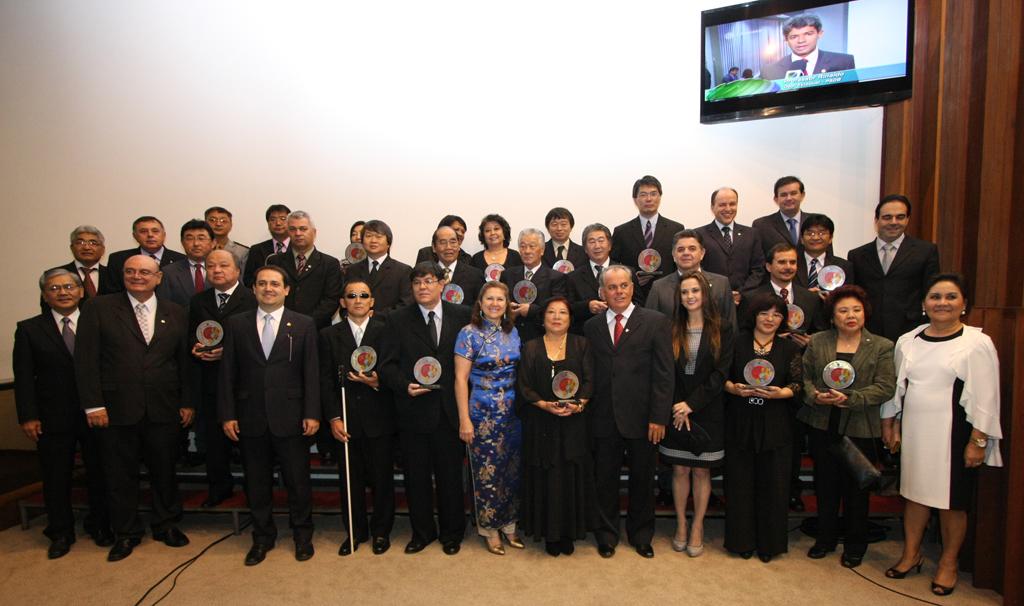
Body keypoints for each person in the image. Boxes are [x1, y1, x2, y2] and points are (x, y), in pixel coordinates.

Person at [881, 274, 1002, 596]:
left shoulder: (976, 343)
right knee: (914, 494)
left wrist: (978, 441)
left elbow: (987, 397)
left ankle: (948, 563)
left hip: (955, 435)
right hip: (916, 431)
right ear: (924, 303)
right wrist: (891, 424)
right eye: (935, 297)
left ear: (964, 304)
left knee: (952, 502)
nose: (942, 303)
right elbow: (897, 388)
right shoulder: (908, 341)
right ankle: (911, 554)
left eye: (951, 297)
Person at [75, 255, 194, 562]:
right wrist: (93, 405)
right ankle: (126, 533)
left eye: (145, 272)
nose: (137, 276)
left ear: (158, 278)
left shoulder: (176, 312)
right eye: (131, 271)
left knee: (164, 471)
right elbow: (86, 361)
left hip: (163, 407)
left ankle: (166, 524)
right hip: (115, 408)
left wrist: (186, 401)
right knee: (119, 474)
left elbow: (183, 361)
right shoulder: (98, 308)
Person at [218, 265, 321, 565]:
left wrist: (312, 413)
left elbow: (311, 372)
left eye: (275, 284)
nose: (268, 288)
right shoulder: (236, 324)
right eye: (262, 283)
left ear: (286, 289)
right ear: (253, 289)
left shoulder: (303, 324)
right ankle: (262, 537)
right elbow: (227, 373)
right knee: (256, 483)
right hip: (250, 416)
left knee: (298, 482)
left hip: (291, 416)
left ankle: (302, 535)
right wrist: (227, 414)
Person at [14, 269, 111, 558]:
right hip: (52, 417)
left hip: (97, 413)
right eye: (55, 288)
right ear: (45, 296)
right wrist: (28, 416)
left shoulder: (100, 323)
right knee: (56, 476)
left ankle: (100, 525)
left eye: (69, 286)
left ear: (81, 291)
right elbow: (24, 377)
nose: (63, 292)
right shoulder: (29, 329)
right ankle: (60, 531)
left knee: (100, 473)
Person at [798, 285, 895, 568]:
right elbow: (804, 377)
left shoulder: (881, 346)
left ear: (865, 313)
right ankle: (825, 539)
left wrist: (851, 398)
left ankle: (855, 544)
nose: (850, 315)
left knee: (857, 490)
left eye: (856, 310)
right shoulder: (818, 342)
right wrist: (815, 395)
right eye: (843, 310)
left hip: (860, 426)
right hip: (823, 423)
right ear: (832, 316)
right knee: (825, 485)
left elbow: (885, 387)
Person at [379, 262, 471, 556]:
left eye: (429, 281)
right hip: (413, 410)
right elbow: (386, 365)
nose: (423, 287)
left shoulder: (463, 315)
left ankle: (452, 533)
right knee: (416, 478)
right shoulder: (397, 319)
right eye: (417, 282)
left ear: (442, 284)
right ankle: (422, 532)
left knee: (450, 478)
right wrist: (404, 385)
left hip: (449, 410)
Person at [583, 265, 673, 558]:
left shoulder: (656, 322)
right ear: (602, 292)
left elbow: (664, 374)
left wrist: (659, 417)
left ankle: (641, 535)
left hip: (644, 419)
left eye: (624, 285)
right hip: (603, 418)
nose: (618, 291)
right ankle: (606, 535)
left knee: (643, 480)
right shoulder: (591, 326)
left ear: (633, 288)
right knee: (604, 480)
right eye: (612, 287)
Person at [319, 279, 397, 556]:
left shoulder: (386, 331)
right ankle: (355, 531)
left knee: (382, 480)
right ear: (343, 302)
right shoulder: (329, 335)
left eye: (364, 295)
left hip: (380, 418)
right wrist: (333, 418)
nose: (358, 300)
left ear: (372, 301)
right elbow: (325, 381)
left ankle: (381, 532)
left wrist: (378, 382)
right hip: (346, 420)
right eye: (351, 295)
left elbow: (395, 371)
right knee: (350, 481)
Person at [723, 294, 803, 562]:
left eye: (777, 315)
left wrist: (782, 393)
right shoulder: (736, 342)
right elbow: (721, 377)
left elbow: (798, 384)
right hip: (740, 421)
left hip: (776, 423)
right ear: (754, 316)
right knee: (740, 484)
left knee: (774, 486)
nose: (770, 319)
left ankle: (770, 544)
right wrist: (734, 389)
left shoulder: (789, 348)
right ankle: (741, 541)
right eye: (764, 313)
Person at [659, 271, 733, 558]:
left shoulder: (722, 328)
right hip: (676, 409)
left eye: (695, 291)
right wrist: (678, 405)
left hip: (707, 409)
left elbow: (720, 373)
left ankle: (698, 526)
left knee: (702, 471)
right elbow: (665, 371)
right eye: (684, 292)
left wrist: (691, 404)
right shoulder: (670, 328)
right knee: (680, 469)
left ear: (705, 294)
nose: (690, 296)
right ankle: (680, 524)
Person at [518, 297, 594, 556]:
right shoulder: (530, 347)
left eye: (563, 312)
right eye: (551, 312)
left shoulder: (582, 344)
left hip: (574, 421)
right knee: (546, 476)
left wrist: (579, 404)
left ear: (570, 319)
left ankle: (568, 532)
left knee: (569, 475)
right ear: (543, 318)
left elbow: (589, 381)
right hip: (541, 421)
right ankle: (548, 532)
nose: (557, 317)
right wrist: (544, 405)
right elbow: (524, 385)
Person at [454, 282, 523, 555]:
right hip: (482, 414)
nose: (495, 304)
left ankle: (509, 524)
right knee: (487, 473)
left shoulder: (513, 331)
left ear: (507, 305)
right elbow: (460, 380)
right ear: (480, 303)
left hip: (513, 414)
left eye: (500, 299)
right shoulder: (468, 334)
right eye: (489, 299)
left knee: (511, 471)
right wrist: (464, 419)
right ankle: (489, 528)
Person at [188, 249, 257, 508]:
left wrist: (226, 351)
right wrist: (196, 348)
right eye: (211, 266)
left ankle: (254, 490)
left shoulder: (252, 298)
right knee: (214, 440)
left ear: (237, 270)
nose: (217, 270)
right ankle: (219, 488)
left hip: (245, 382)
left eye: (223, 265)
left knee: (250, 442)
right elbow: (191, 334)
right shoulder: (198, 301)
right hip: (211, 381)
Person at [848, 194, 941, 342]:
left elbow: (932, 291)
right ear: (876, 220)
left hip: (912, 330)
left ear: (907, 219)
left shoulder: (926, 251)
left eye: (900, 217)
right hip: (869, 331)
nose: (893, 222)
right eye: (887, 217)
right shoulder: (857, 255)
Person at [645, 229, 737, 330]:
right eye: (680, 249)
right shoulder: (659, 288)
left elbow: (731, 326)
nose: (686, 253)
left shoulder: (721, 284)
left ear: (702, 253)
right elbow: (649, 327)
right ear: (673, 255)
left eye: (692, 249)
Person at [611, 175, 685, 300]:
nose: (649, 199)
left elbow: (681, 262)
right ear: (635, 199)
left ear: (660, 197)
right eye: (643, 194)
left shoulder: (676, 229)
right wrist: (630, 278)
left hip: (669, 294)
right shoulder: (621, 231)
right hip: (634, 296)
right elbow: (613, 264)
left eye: (653, 194)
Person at [266, 210, 342, 330]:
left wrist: (305, 324)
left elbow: (331, 300)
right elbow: (270, 295)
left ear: (314, 232)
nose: (298, 233)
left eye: (303, 229)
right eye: (292, 229)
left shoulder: (330, 264)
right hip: (279, 328)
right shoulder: (275, 262)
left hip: (316, 330)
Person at [502, 228, 567, 344]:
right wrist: (507, 309)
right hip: (510, 338)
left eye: (532, 246)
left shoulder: (556, 278)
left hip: (541, 338)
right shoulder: (507, 275)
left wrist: (531, 310)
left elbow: (558, 311)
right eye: (523, 246)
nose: (527, 251)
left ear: (542, 250)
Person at [698, 187, 766, 296]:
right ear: (712, 207)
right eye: (722, 205)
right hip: (712, 298)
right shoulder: (699, 235)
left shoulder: (752, 234)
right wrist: (719, 292)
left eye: (732, 204)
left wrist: (741, 293)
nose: (728, 209)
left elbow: (758, 269)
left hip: (745, 299)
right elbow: (698, 269)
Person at [345, 219, 413, 319]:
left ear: (388, 243)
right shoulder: (352, 270)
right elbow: (345, 302)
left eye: (378, 236)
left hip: (390, 325)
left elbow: (406, 305)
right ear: (362, 242)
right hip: (358, 325)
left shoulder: (403, 271)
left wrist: (376, 316)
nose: (373, 240)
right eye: (368, 236)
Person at [760, 14, 855, 81]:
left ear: (820, 34)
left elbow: (852, 97)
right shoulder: (769, 71)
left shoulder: (844, 62)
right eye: (794, 37)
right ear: (785, 39)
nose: (801, 40)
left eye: (808, 34)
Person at [106, 216, 187, 290]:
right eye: (143, 231)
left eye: (155, 231)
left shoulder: (181, 259)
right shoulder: (118, 259)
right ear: (135, 236)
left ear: (164, 235)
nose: (150, 235)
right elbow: (113, 293)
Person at [156, 219, 215, 309]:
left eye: (201, 238)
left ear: (213, 243)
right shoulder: (169, 272)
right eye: (189, 238)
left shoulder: (223, 270)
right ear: (182, 243)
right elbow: (163, 306)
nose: (196, 243)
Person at [752, 176, 811, 259]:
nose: (789, 198)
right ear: (776, 199)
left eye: (793, 193)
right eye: (783, 195)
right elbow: (758, 259)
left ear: (802, 195)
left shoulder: (815, 222)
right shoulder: (761, 225)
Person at [796, 213, 855, 295]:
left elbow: (848, 296)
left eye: (821, 233)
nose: (815, 238)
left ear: (830, 238)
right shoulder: (791, 264)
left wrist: (830, 299)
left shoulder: (844, 267)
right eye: (810, 233)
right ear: (802, 239)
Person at [56, 225, 119, 300]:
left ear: (103, 250)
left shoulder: (113, 275)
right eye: (80, 242)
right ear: (72, 248)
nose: (87, 247)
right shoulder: (56, 275)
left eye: (93, 243)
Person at [433, 225, 484, 304]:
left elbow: (480, 305)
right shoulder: (427, 275)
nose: (448, 247)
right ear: (434, 247)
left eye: (453, 242)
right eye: (443, 242)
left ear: (459, 245)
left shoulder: (475, 275)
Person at [243, 204, 291, 287]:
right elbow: (248, 279)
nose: (278, 223)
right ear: (268, 223)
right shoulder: (256, 250)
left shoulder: (299, 248)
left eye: (283, 219)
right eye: (273, 219)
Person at [205, 206, 250, 270]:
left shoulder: (243, 252)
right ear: (205, 223)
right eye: (213, 220)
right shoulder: (198, 249)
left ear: (231, 225)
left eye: (223, 221)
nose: (218, 224)